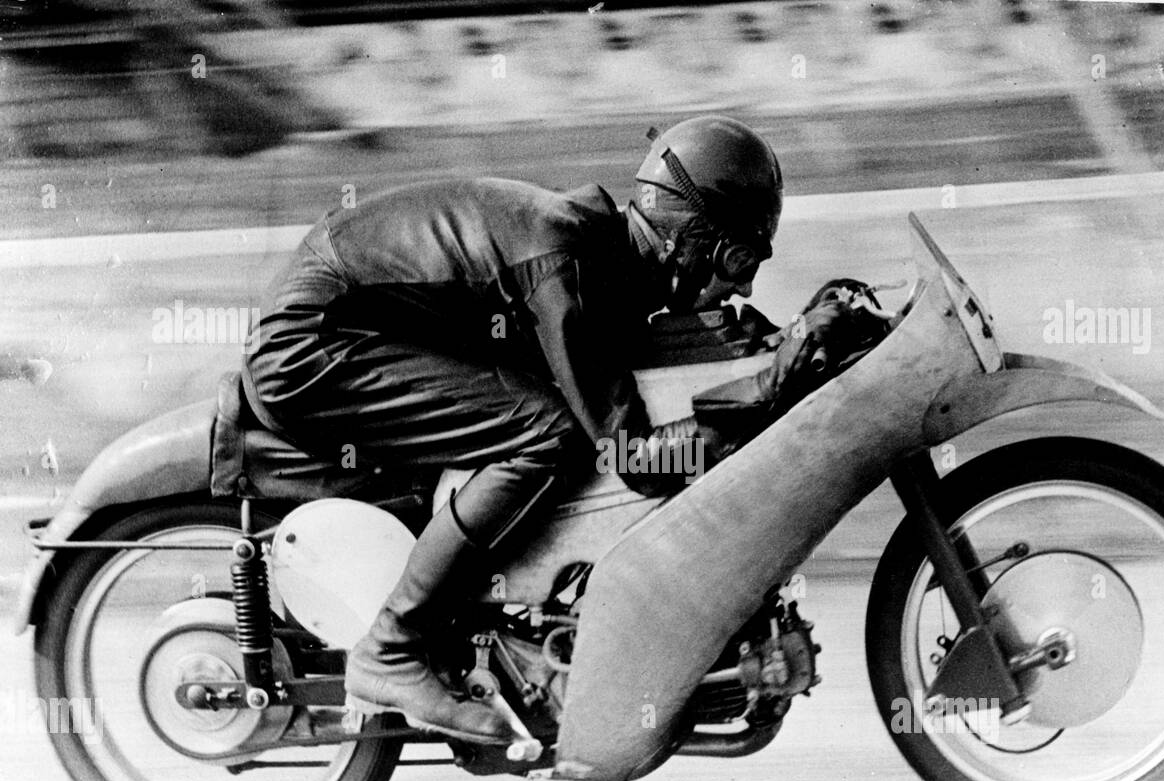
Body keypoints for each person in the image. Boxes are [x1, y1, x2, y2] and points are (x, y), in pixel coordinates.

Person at [241, 115, 865, 744]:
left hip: (367, 326)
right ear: (691, 236)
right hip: (315, 346)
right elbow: (635, 457)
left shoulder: (607, 261)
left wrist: (779, 346)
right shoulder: (566, 266)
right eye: (737, 257)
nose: (746, 282)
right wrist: (769, 388)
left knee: (552, 423)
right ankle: (391, 648)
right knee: (549, 433)